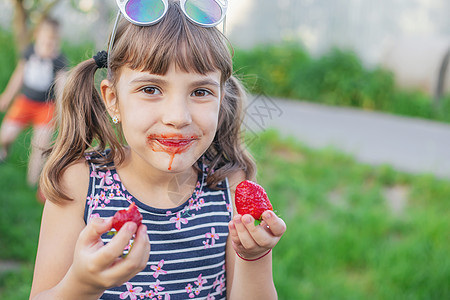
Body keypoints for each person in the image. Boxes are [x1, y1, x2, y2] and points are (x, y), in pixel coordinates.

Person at [30, 1, 286, 299]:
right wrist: (82, 284)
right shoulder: (80, 183)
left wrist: (254, 256)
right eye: (151, 89)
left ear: (221, 98)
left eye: (200, 92)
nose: (177, 117)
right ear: (112, 100)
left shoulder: (227, 183)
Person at [0, 16, 67, 187]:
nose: (49, 42)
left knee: (40, 146)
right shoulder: (30, 52)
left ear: (57, 40)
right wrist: (7, 97)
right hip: (24, 102)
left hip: (46, 107)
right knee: (5, 135)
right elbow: (19, 76)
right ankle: (4, 151)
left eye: (53, 39)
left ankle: (32, 182)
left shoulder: (59, 60)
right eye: (46, 38)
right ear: (38, 35)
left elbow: (61, 87)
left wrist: (61, 110)